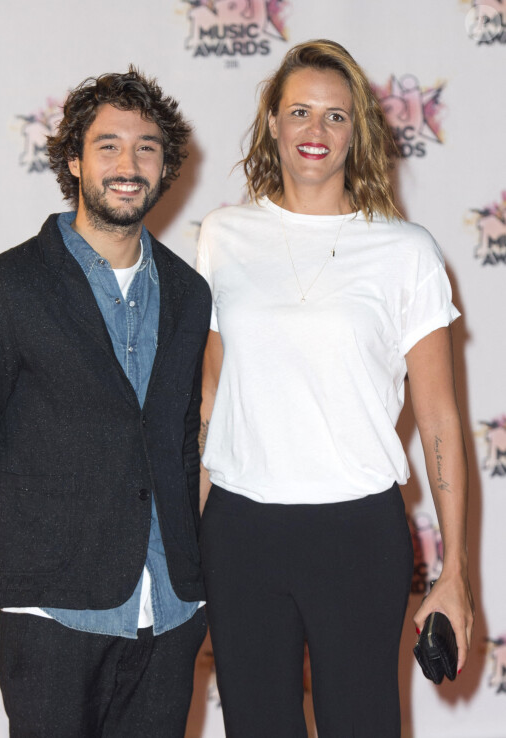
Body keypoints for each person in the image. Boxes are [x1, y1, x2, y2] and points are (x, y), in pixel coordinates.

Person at [197, 40, 474, 737]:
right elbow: (209, 402)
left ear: (359, 132)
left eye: (335, 117)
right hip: (240, 533)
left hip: (358, 535)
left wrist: (454, 572)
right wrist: (194, 547)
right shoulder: (222, 238)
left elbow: (439, 420)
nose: (315, 132)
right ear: (272, 124)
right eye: (299, 112)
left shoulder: (405, 251)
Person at [0, 69, 211, 738]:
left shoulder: (191, 292)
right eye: (107, 145)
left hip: (170, 609)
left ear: (165, 165)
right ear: (74, 159)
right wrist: (5, 559)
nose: (128, 164)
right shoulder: (1, 287)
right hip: (51, 614)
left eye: (146, 147)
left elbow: (186, 438)